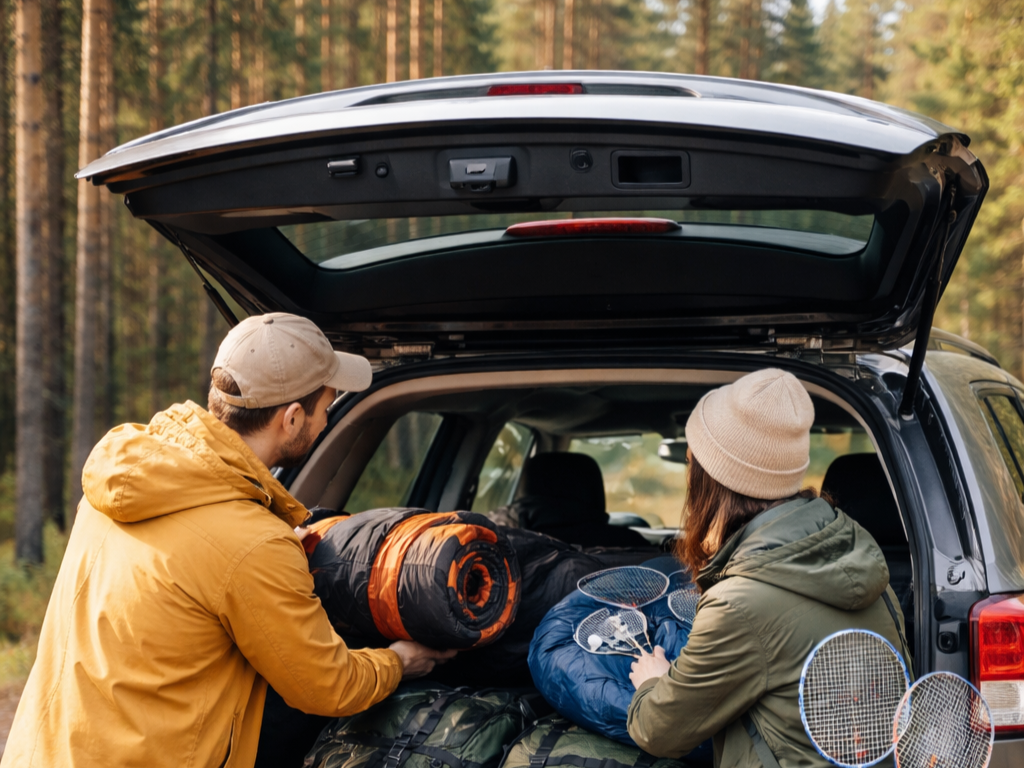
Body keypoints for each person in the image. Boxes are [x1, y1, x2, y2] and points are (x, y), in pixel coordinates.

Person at [2, 313, 455, 768]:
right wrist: (398, 661)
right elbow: (327, 686)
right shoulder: (250, 543)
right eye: (328, 404)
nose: (327, 415)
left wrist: (265, 547)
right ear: (293, 418)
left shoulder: (126, 471)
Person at [626, 368, 910, 768]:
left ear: (711, 482)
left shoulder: (738, 605)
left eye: (693, 462)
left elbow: (656, 731)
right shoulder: (864, 558)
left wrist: (652, 681)